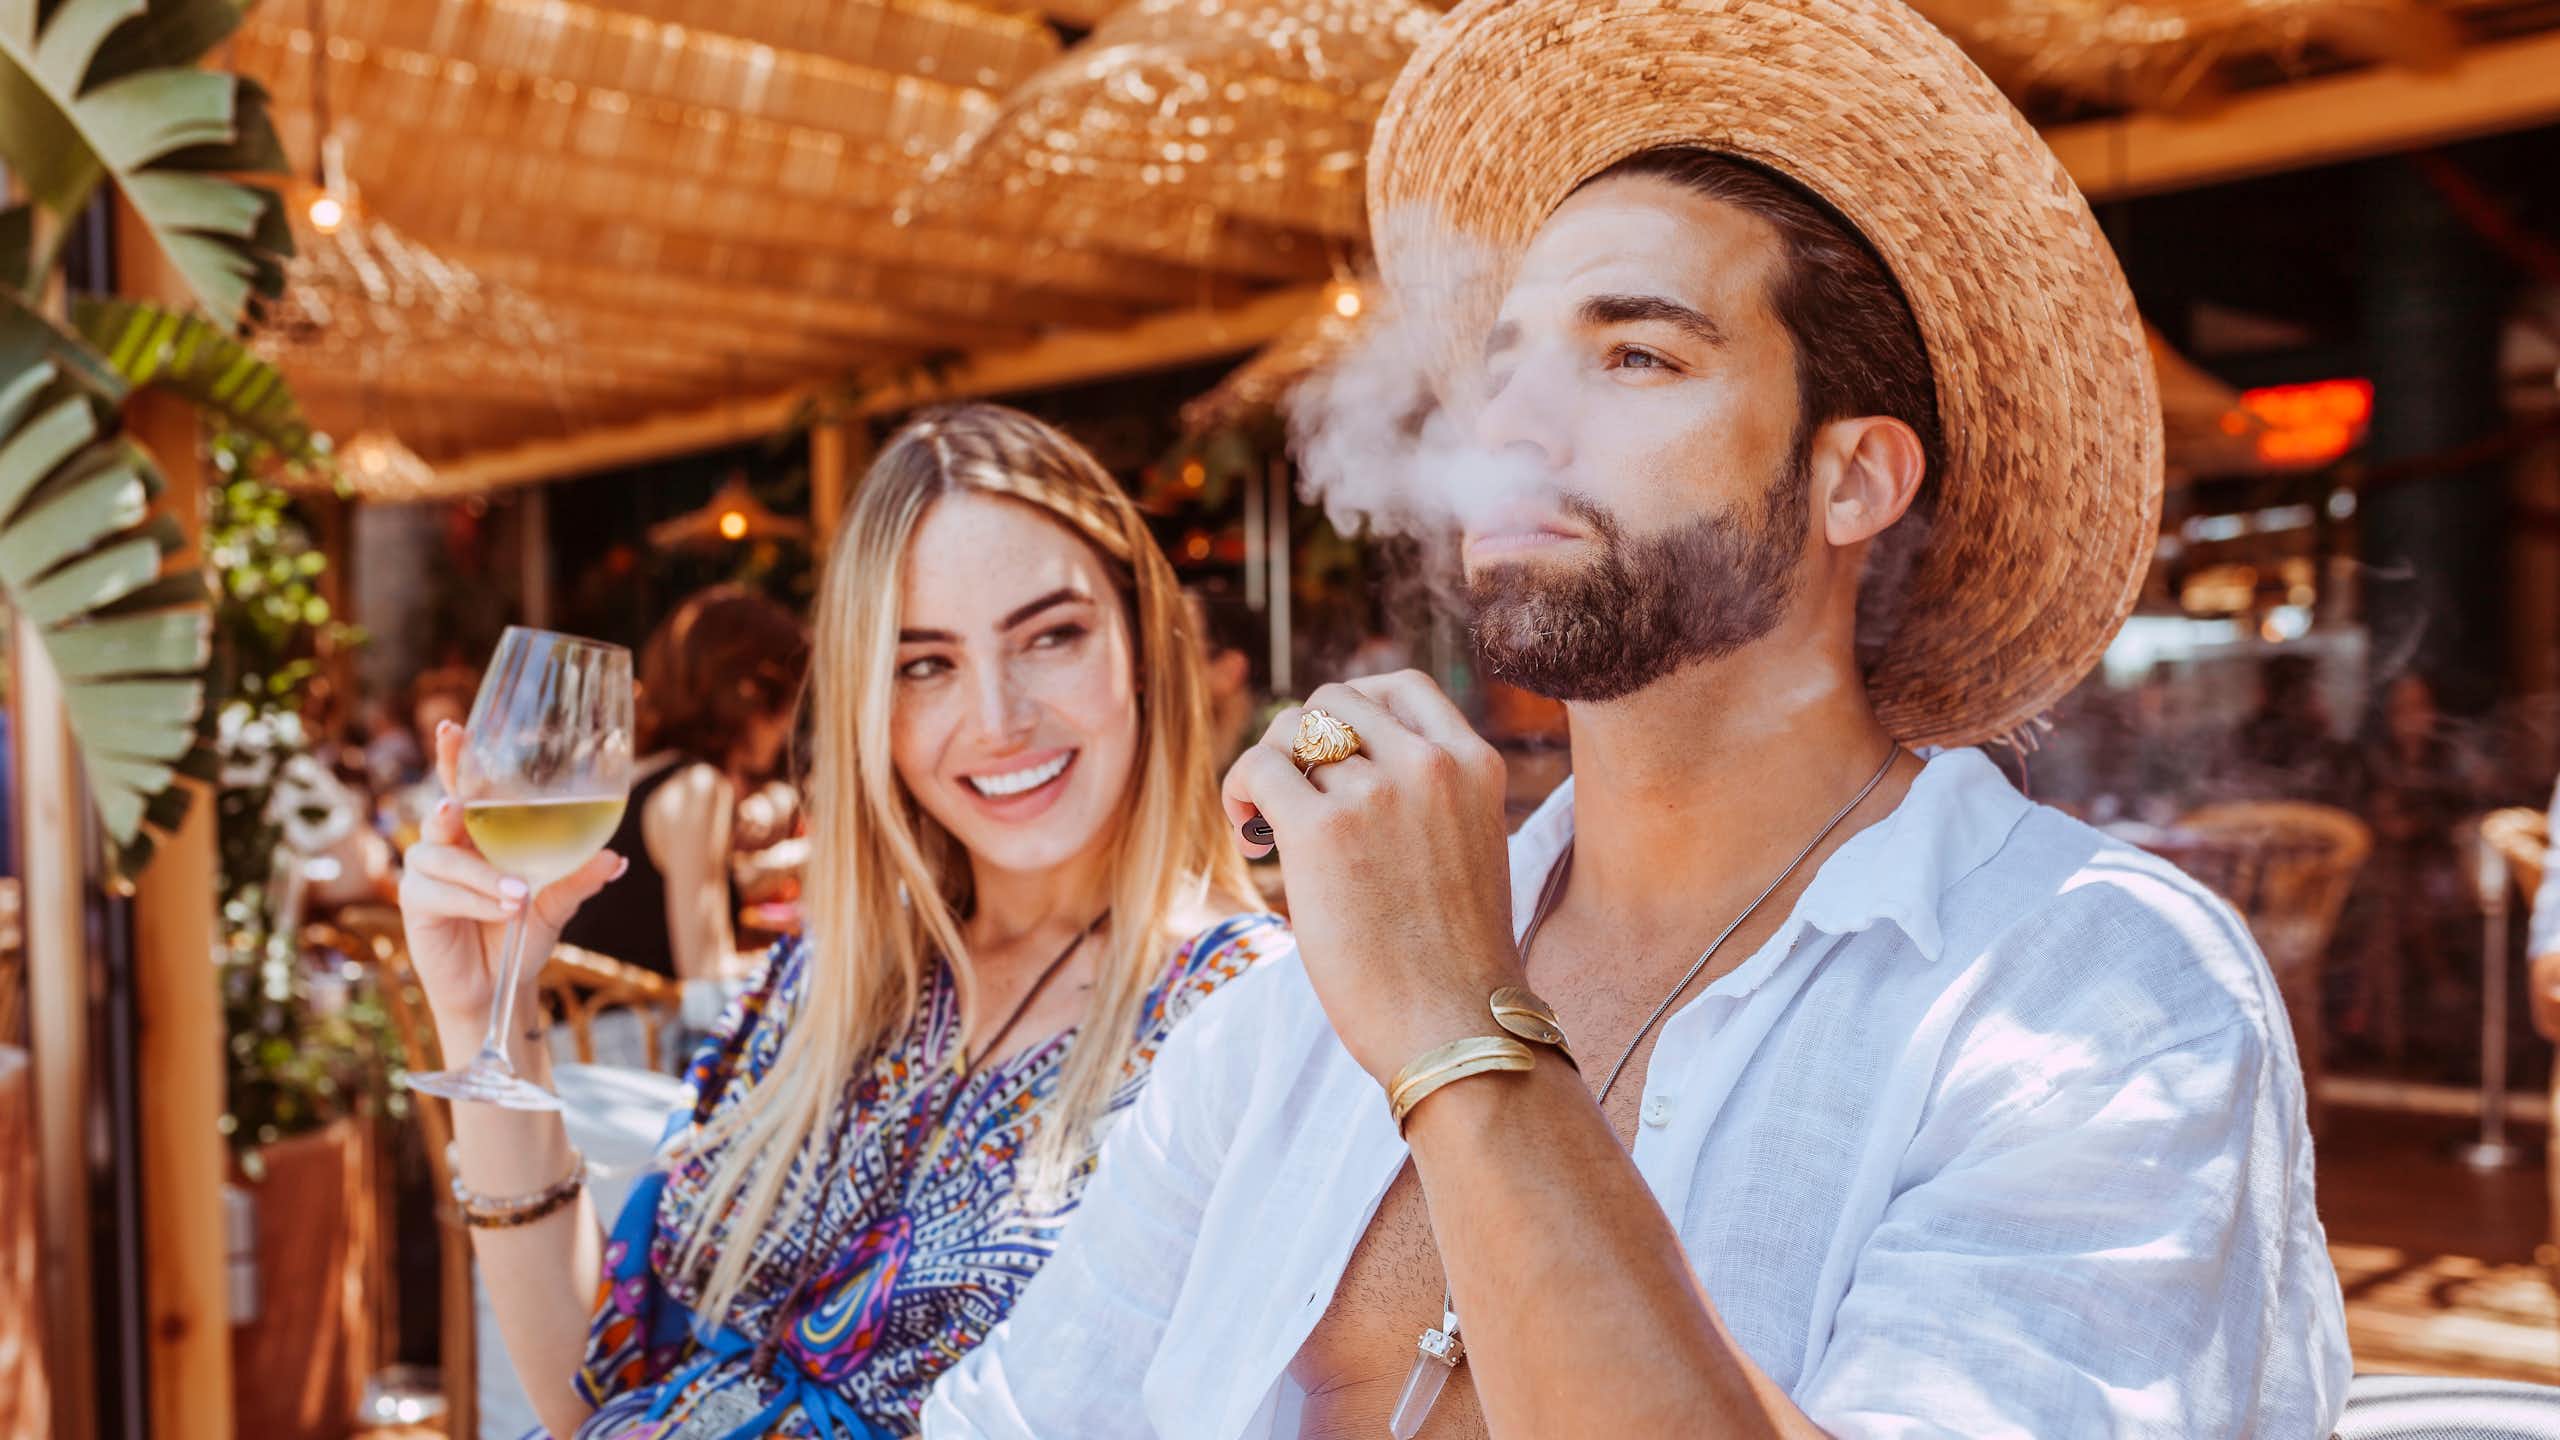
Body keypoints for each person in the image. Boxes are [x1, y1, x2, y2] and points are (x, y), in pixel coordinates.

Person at [924, 0, 2347, 1434]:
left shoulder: (2097, 990)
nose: (1515, 429)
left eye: (1636, 358)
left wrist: (1455, 1030)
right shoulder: (1298, 1009)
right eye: (1502, 368)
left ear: (1852, 481)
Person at [397, 403, 1285, 1438]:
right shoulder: (830, 978)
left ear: (1142, 644)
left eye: (1050, 636)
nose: (996, 718)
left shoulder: (1245, 1022)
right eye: (925, 663)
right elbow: (592, 1394)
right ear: (871, 705)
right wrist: (484, 1015)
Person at [558, 585, 808, 989]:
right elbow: (707, 980)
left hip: (574, 1032)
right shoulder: (698, 788)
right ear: (753, 695)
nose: (789, 726)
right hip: (634, 1041)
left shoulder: (637, 771)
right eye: (791, 699)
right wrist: (818, 958)